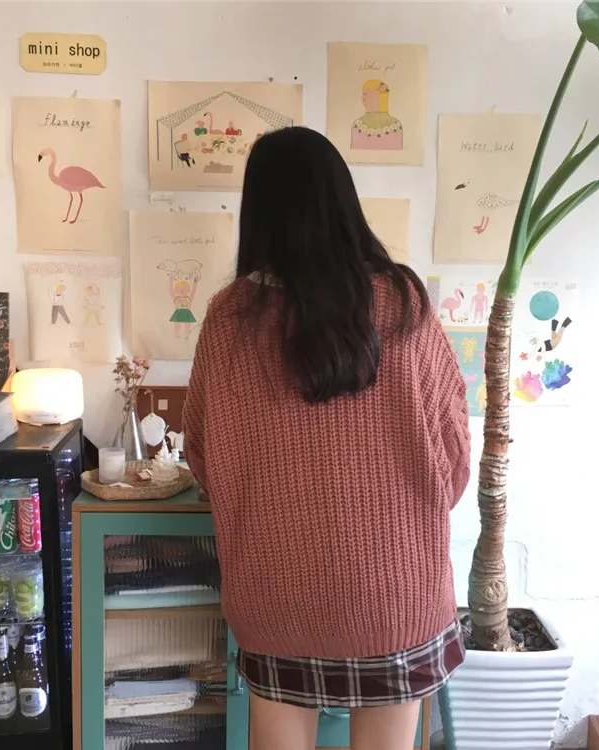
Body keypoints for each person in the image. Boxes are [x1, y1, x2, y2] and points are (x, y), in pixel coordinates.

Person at [182, 126, 470, 750]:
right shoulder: (404, 303)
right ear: (343, 201)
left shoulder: (229, 318)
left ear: (258, 212)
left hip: (274, 596)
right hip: (395, 593)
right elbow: (451, 456)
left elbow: (201, 455)